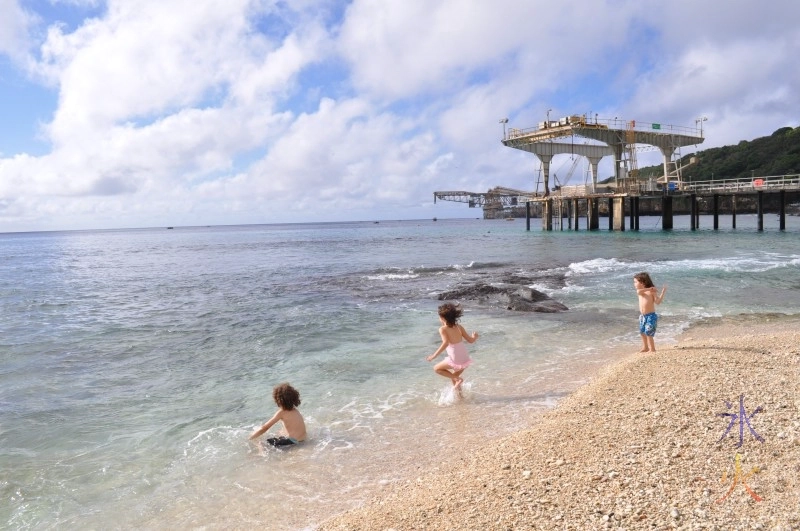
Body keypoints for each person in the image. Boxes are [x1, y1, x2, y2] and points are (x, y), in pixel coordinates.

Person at [426, 303, 479, 389]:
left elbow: (445, 343)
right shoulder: (459, 327)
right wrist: (474, 337)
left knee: (437, 369)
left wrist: (433, 356)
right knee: (453, 377)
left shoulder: (442, 329)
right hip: (464, 357)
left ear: (442, 318)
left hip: (455, 357)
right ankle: (460, 398)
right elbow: (470, 341)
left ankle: (458, 380)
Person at [633, 272, 667, 353]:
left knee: (648, 332)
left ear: (642, 282)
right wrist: (650, 288)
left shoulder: (652, 292)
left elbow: (657, 302)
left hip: (651, 316)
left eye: (635, 282)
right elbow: (639, 291)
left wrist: (662, 292)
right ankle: (645, 347)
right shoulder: (641, 292)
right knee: (642, 332)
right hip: (642, 316)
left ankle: (652, 349)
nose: (634, 284)